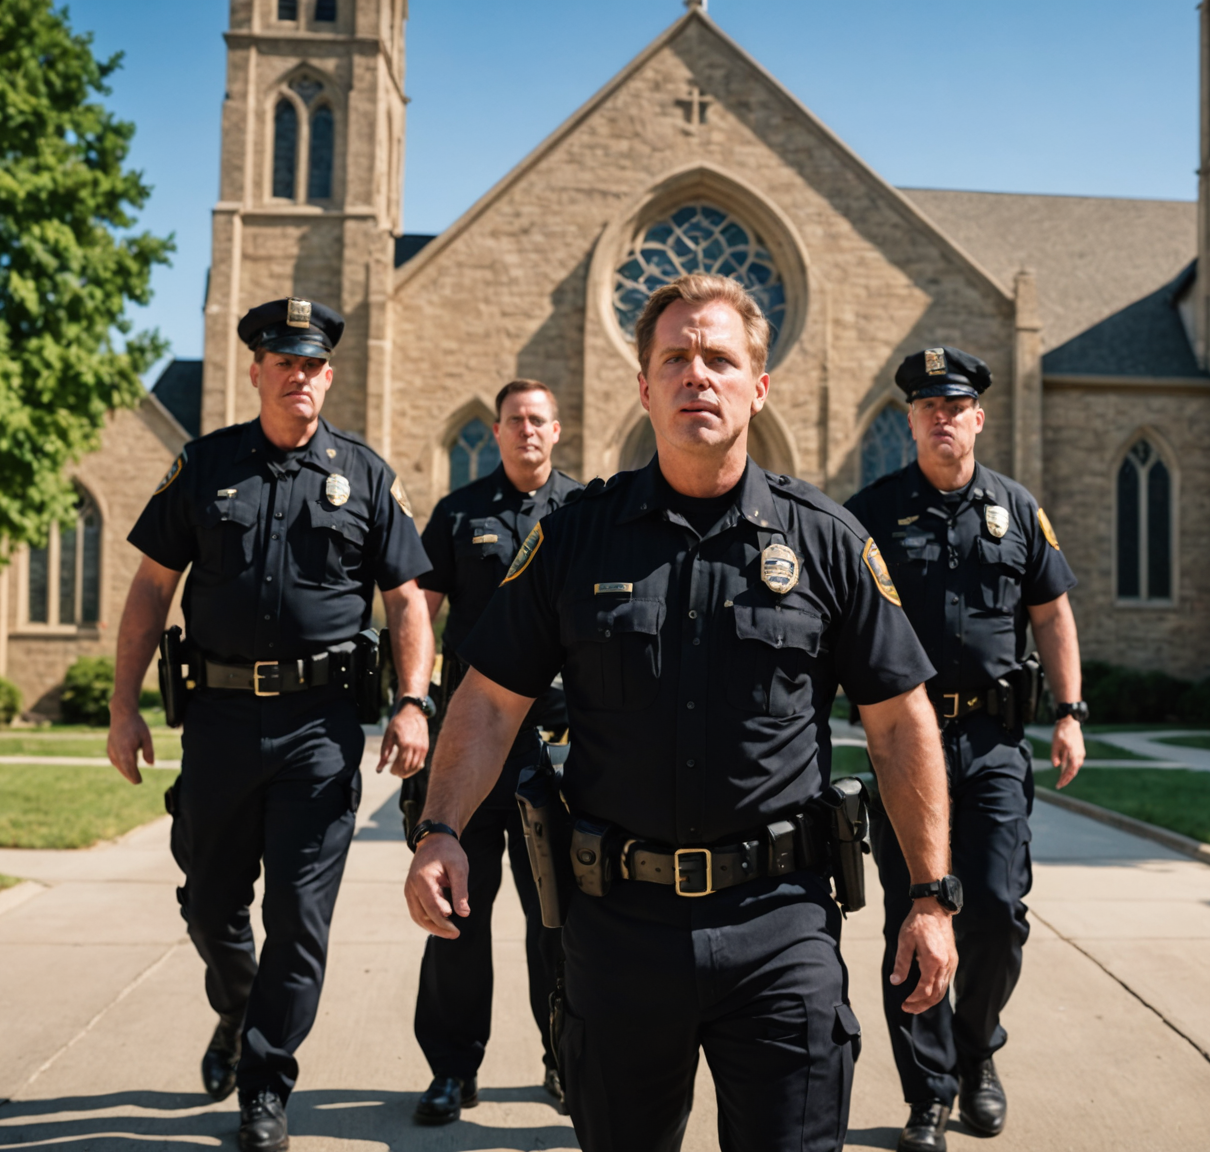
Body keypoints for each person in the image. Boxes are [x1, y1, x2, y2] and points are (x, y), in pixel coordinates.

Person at [401, 272, 960, 1152]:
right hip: (618, 931)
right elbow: (489, 698)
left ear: (758, 385)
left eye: (720, 358)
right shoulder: (575, 537)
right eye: (676, 357)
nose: (698, 374)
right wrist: (439, 829)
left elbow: (899, 720)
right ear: (645, 385)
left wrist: (930, 895)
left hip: (781, 929)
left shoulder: (826, 540)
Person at [105, 298, 435, 1152]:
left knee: (299, 915)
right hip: (215, 721)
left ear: (329, 373)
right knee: (209, 902)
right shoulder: (205, 466)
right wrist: (122, 708)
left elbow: (406, 600)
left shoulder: (361, 476)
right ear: (255, 370)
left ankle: (264, 1082)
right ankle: (237, 1003)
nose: (300, 375)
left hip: (319, 731)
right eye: (283, 361)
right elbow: (149, 590)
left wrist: (412, 699)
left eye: (314, 363)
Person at [844, 347, 1087, 1152]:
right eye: (927, 407)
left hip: (990, 744)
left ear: (978, 417)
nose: (942, 417)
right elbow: (835, 621)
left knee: (996, 914)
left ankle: (978, 1049)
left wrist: (1070, 710)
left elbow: (1051, 613)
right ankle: (930, 1093)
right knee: (913, 921)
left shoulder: (1016, 510)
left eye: (956, 406)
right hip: (904, 745)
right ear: (909, 421)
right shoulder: (872, 513)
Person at [404, 379, 580, 1122]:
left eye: (538, 421)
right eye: (514, 421)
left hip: (558, 750)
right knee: (458, 916)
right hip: (473, 750)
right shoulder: (459, 513)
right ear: (498, 431)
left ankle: (564, 1059)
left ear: (557, 430)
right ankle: (453, 1070)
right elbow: (420, 610)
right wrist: (412, 702)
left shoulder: (586, 511)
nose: (526, 432)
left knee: (560, 920)